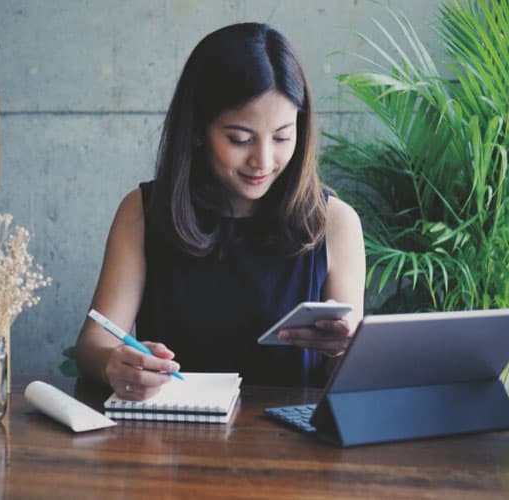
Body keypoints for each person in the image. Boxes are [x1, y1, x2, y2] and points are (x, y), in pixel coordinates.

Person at [76, 22, 365, 400]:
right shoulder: (143, 212)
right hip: (170, 441)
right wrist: (114, 363)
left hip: (290, 445)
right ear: (197, 128)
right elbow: (93, 343)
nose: (263, 160)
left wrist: (344, 347)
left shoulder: (335, 222)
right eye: (239, 139)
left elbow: (351, 378)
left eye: (282, 136)